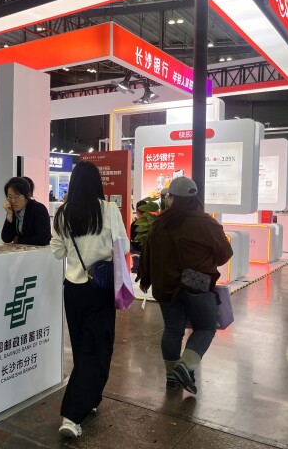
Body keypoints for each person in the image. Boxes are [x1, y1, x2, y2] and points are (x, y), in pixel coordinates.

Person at [50, 161, 129, 438]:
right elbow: (124, 245)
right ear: (97, 182)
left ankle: (90, 397)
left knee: (82, 346)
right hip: (100, 288)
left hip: (73, 288)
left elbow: (57, 251)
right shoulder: (108, 209)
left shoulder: (63, 213)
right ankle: (72, 416)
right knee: (97, 348)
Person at [138, 177, 233, 394]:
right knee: (206, 327)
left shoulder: (161, 223)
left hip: (165, 282)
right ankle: (185, 366)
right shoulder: (207, 223)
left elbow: (148, 253)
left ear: (172, 199)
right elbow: (225, 254)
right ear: (195, 198)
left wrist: (145, 278)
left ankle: (172, 378)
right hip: (196, 281)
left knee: (173, 330)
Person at [1, 177, 51, 246]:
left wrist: (19, 240)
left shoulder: (38, 209)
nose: (13, 201)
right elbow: (6, 239)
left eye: (17, 196)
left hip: (40, 252)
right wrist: (9, 216)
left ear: (27, 195)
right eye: (9, 197)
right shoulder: (13, 211)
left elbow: (43, 239)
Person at [130, 200, 145, 273]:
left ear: (137, 211)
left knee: (136, 268)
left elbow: (131, 237)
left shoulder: (134, 224)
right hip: (146, 250)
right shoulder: (151, 223)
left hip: (136, 249)